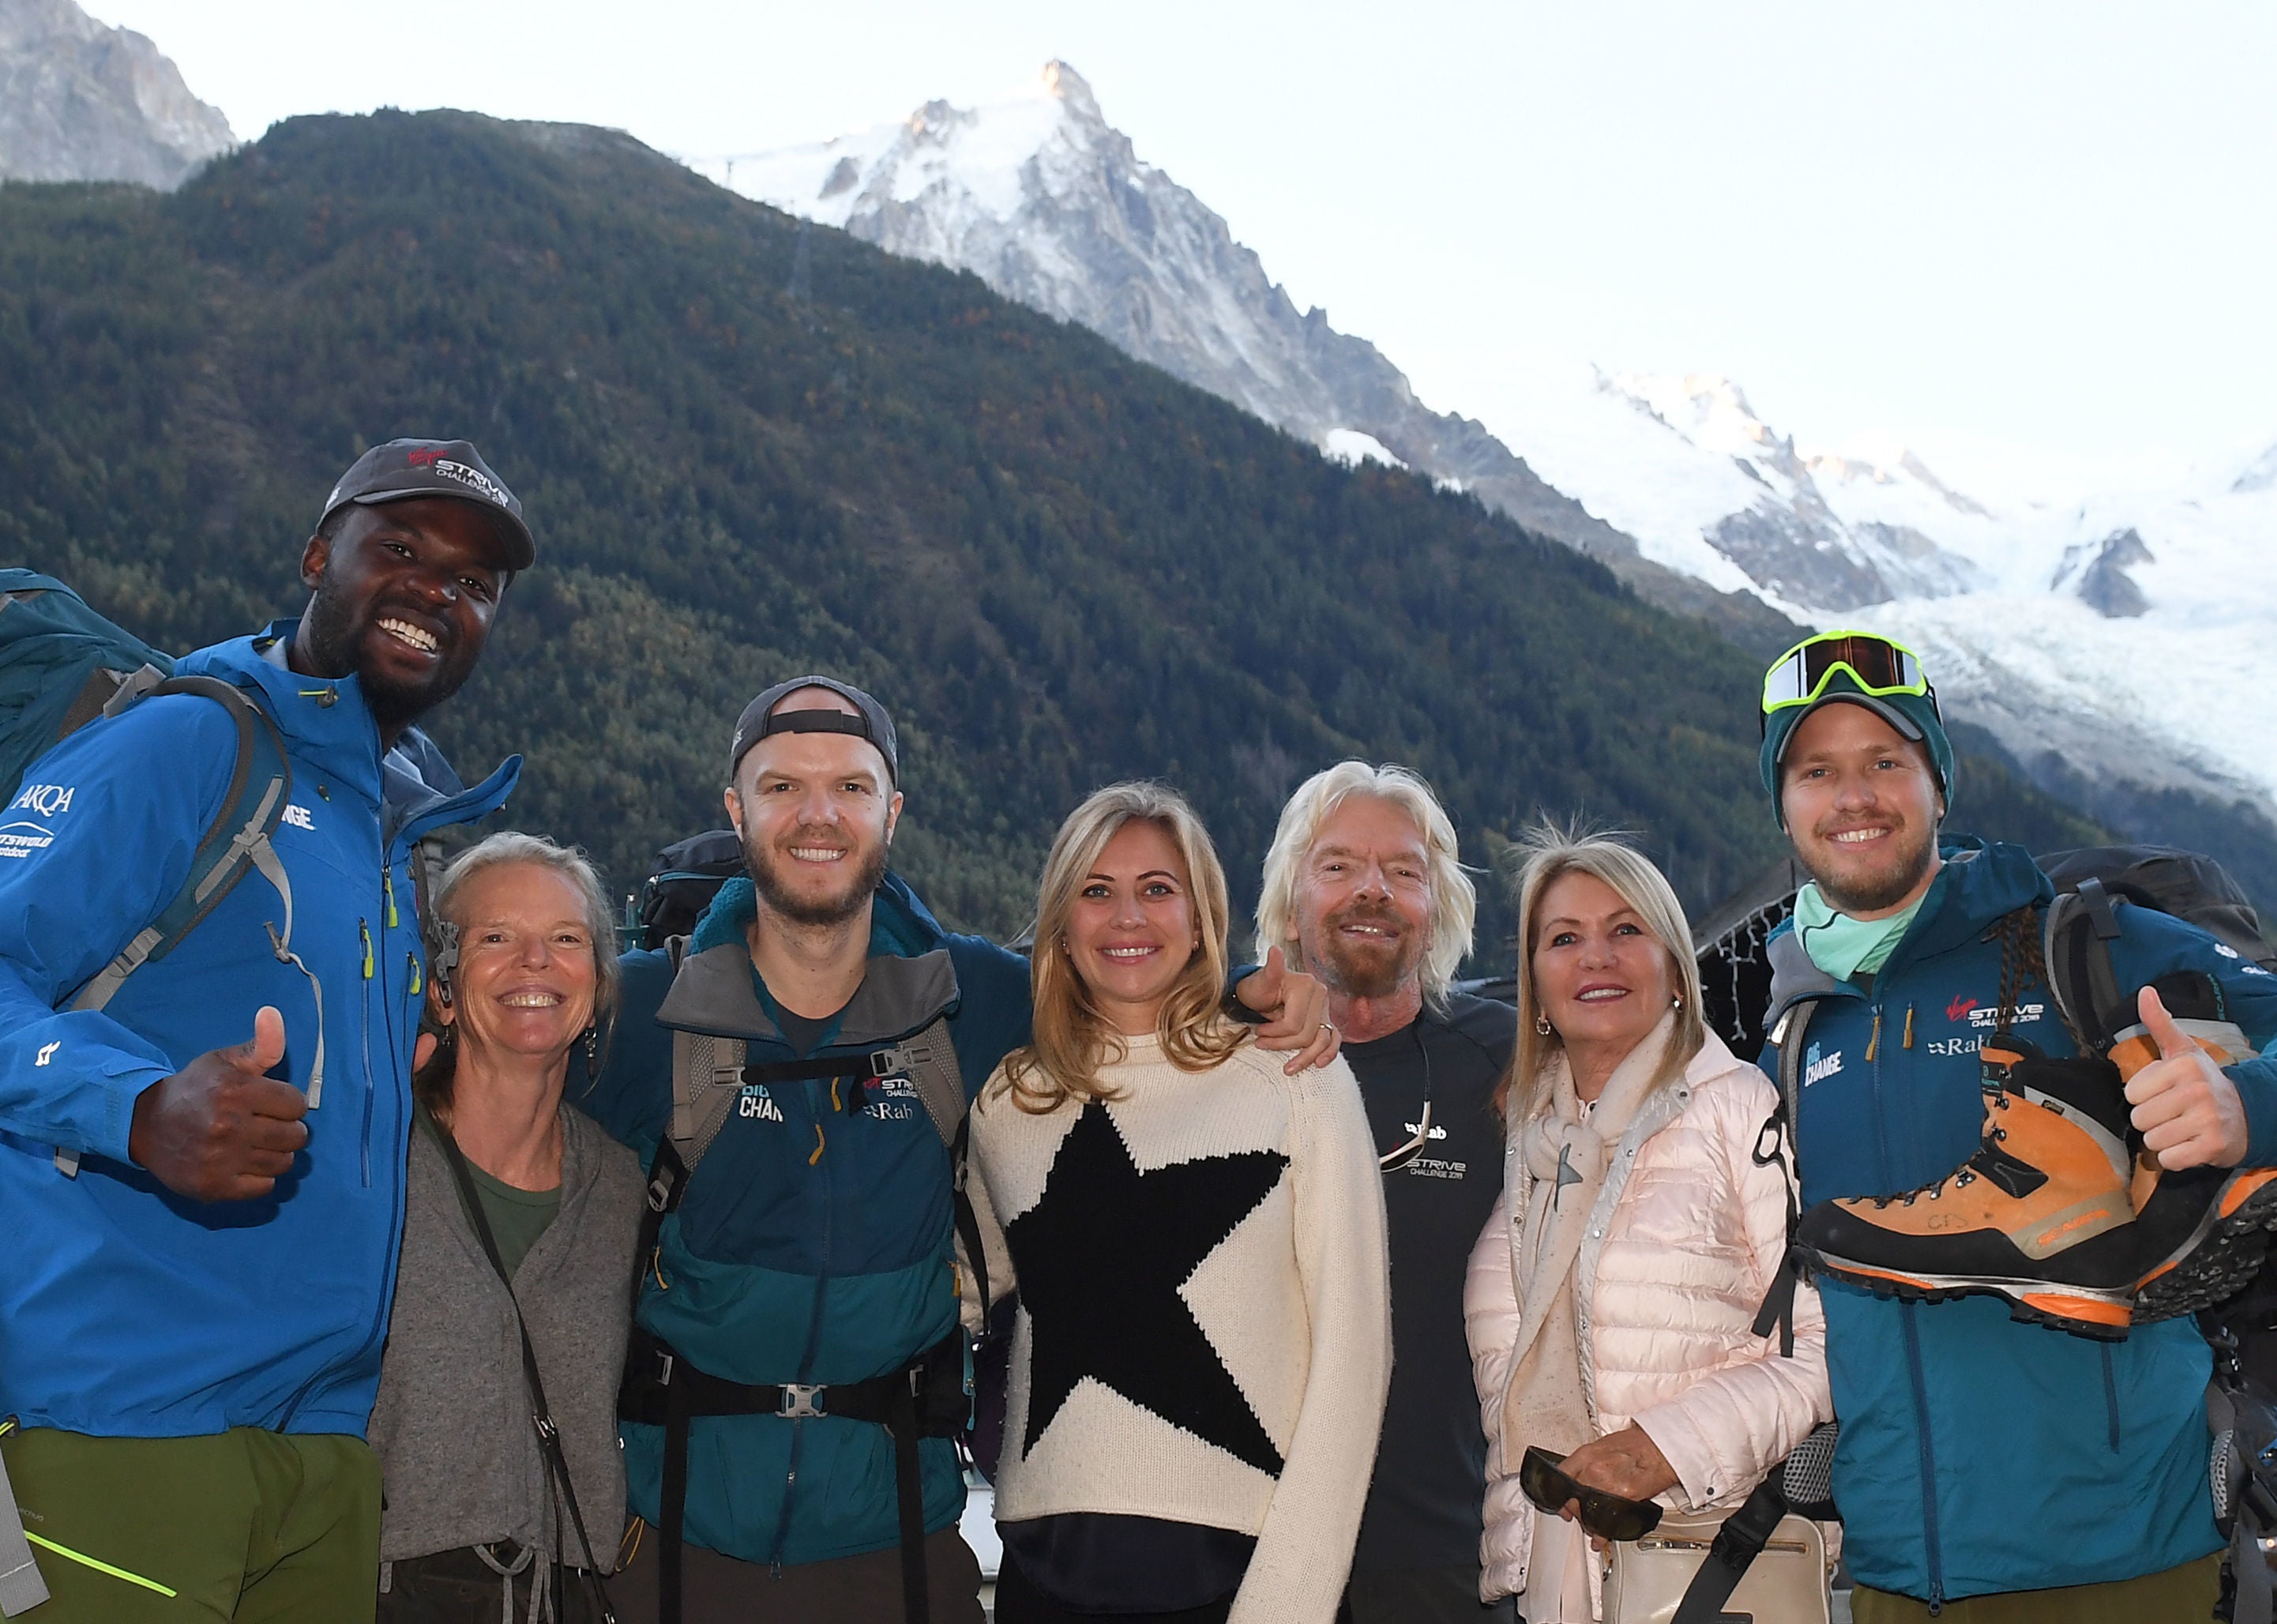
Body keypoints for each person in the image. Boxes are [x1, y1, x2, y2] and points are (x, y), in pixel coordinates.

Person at [580, 680, 1340, 1624]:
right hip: (680, 1540)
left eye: (851, 788)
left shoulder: (964, 995)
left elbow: (1118, 972)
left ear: (890, 812)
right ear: (737, 809)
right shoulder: (642, 1012)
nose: (819, 815)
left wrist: (1253, 990)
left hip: (894, 1542)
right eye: (783, 787)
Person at [0, 438, 530, 1620]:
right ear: (314, 556)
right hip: (126, 1424)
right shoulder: (190, 741)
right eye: (400, 549)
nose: (433, 593)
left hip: (328, 1450)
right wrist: (135, 1108)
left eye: (472, 584)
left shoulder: (392, 824)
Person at [1753, 630, 2277, 1620]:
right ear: (1784, 805)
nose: (1853, 796)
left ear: (1938, 787)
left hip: (2120, 1558)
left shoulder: (2077, 943)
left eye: (1885, 762)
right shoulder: (1793, 1021)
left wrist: (2243, 1106)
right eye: (1817, 770)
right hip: (1893, 1574)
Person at [967, 780, 1392, 1624]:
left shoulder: (1295, 1078)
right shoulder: (1008, 1104)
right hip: (1042, 1580)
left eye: (1158, 889)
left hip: (1238, 1584)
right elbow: (973, 1275)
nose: (1128, 917)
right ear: (1061, 922)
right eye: (1097, 891)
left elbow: (1356, 1357)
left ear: (1201, 918)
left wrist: (1289, 1604)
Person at [1466, 828, 1831, 1623]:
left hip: (1702, 1568)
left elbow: (1826, 1349)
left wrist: (1661, 1448)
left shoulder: (1738, 1109)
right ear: (1535, 981)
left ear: (1672, 965)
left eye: (1626, 930)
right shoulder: (1532, 1145)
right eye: (1565, 937)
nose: (1597, 956)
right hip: (1539, 1581)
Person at [1253, 761, 1516, 1622]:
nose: (1373, 890)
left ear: (1437, 903)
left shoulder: (1506, 1062)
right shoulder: (1219, 1055)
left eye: (1404, 870)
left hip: (1445, 1553)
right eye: (1338, 866)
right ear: (1290, 895)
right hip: (1249, 1546)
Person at [369, 833, 644, 1623]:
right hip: (382, 1590)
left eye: (566, 939)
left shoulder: (622, 1189)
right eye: (497, 938)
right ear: (444, 984)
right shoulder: (374, 1162)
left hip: (573, 1594)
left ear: (596, 982)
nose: (536, 963)